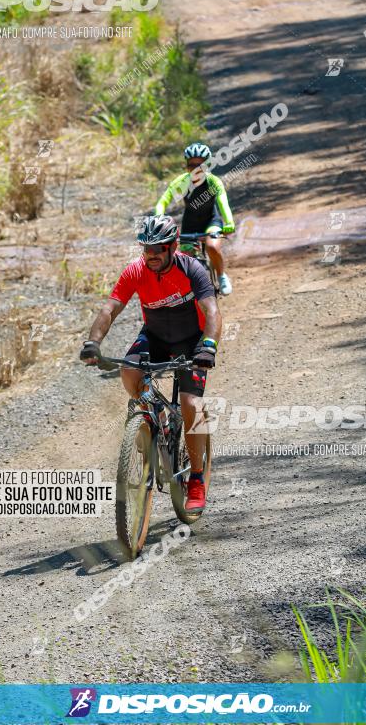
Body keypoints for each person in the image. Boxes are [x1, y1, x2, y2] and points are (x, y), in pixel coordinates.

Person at [80, 215, 222, 513]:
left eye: (158, 248)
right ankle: (151, 423)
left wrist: (208, 347)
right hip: (155, 337)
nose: (151, 255)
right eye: (146, 249)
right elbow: (110, 308)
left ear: (172, 246)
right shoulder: (135, 271)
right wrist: (92, 343)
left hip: (192, 341)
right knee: (129, 372)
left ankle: (196, 478)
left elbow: (211, 311)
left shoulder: (191, 268)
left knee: (190, 403)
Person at [155, 143, 235, 296]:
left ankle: (221, 275)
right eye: (191, 165)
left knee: (212, 247)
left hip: (211, 221)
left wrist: (229, 222)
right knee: (186, 261)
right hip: (189, 225)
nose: (196, 169)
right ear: (186, 166)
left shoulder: (213, 182)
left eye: (201, 165)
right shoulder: (182, 182)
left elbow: (222, 202)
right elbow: (163, 202)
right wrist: (159, 221)